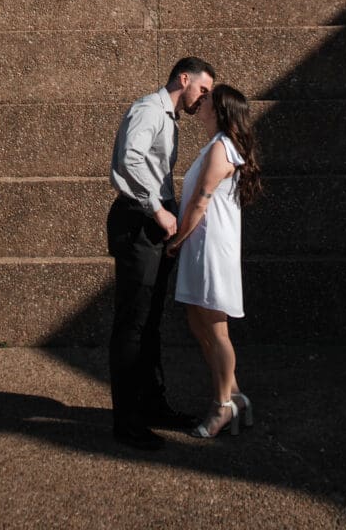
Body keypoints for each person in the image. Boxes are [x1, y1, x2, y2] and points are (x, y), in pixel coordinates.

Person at [107, 56, 216, 451]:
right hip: (138, 222)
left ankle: (151, 407)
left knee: (149, 323)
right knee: (132, 325)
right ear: (183, 79)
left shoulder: (167, 117)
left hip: (153, 225)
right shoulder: (149, 110)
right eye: (202, 90)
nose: (202, 99)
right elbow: (129, 161)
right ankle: (128, 423)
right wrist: (158, 209)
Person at [167, 83, 263, 438]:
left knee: (215, 327)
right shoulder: (215, 145)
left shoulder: (222, 148)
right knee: (198, 321)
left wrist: (175, 242)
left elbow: (199, 203)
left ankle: (223, 405)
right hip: (200, 245)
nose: (201, 100)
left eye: (208, 99)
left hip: (209, 247)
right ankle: (235, 395)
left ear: (220, 110)